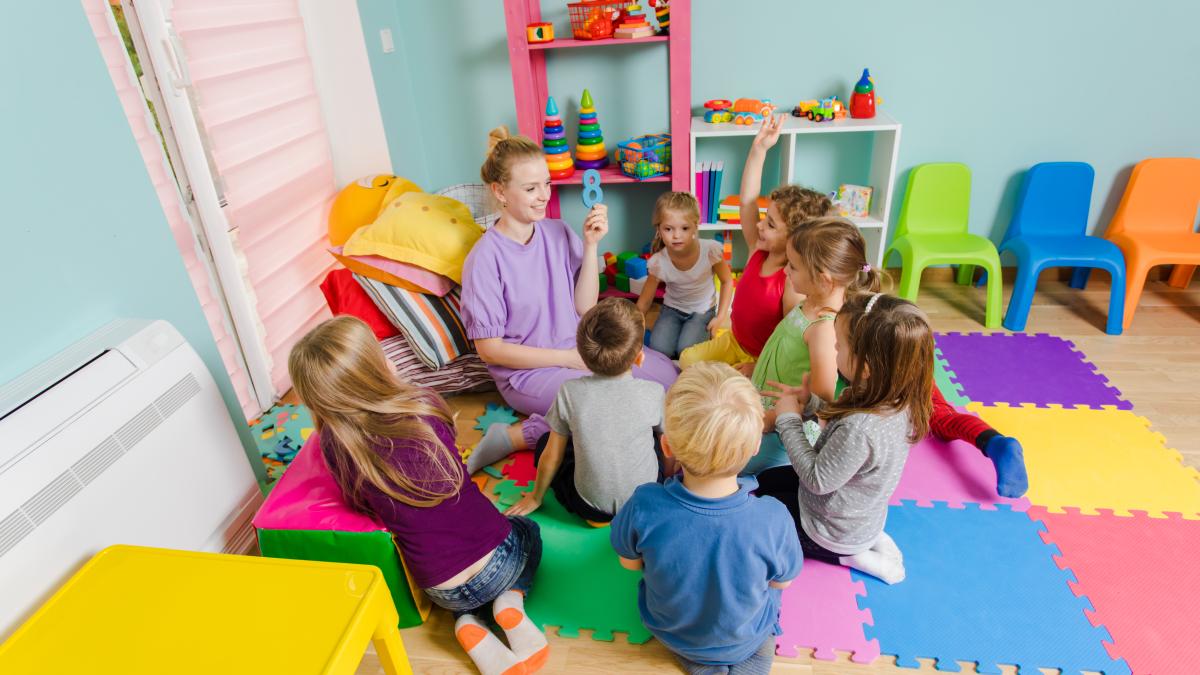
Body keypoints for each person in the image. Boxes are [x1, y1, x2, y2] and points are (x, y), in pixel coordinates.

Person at [288, 316, 547, 675]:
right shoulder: (422, 405)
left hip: (439, 587)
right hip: (498, 562)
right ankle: (511, 601)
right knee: (529, 532)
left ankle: (466, 621)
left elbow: (360, 504)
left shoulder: (334, 445)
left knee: (460, 588)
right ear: (376, 369)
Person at [460, 127, 677, 474]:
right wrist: (567, 359)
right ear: (500, 192)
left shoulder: (557, 231)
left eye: (546, 184)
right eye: (531, 188)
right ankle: (515, 436)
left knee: (668, 381)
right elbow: (490, 350)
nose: (543, 195)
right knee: (609, 403)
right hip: (529, 372)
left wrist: (591, 245)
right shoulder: (484, 259)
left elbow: (584, 307)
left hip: (582, 349)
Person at [611, 362, 802, 674]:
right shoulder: (773, 517)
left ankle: (698, 660)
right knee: (767, 609)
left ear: (667, 446)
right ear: (756, 445)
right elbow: (783, 581)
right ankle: (742, 655)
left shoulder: (644, 504)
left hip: (673, 632)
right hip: (746, 636)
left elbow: (629, 564)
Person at [758, 293, 933, 584]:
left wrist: (787, 419)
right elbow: (839, 418)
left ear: (866, 366)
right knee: (766, 482)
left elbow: (816, 479)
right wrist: (809, 402)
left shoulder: (860, 429)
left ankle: (850, 555)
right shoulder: (890, 395)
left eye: (838, 345)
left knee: (762, 520)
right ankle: (866, 536)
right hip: (856, 508)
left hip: (828, 530)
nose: (834, 349)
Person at [679, 114, 829, 372]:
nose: (759, 226)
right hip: (735, 341)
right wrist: (759, 150)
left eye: (770, 225)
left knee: (732, 384)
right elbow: (747, 201)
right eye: (764, 219)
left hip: (765, 359)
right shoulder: (758, 249)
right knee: (686, 360)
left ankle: (742, 375)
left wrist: (758, 366)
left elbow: (790, 343)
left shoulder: (792, 283)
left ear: (794, 238)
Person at [505, 298, 666, 523]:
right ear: (639, 358)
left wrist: (535, 497)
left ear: (583, 357)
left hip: (591, 509)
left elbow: (552, 456)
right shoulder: (655, 391)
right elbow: (668, 446)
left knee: (545, 444)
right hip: (646, 501)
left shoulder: (569, 392)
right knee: (656, 438)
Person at [635, 191, 733, 359]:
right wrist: (634, 331)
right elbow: (644, 302)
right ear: (659, 230)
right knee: (660, 350)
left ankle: (698, 338)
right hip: (672, 310)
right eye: (668, 229)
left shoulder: (710, 250)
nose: (676, 236)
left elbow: (727, 281)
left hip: (702, 311)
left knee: (685, 351)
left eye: (685, 228)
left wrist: (720, 317)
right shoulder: (659, 262)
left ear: (695, 226)